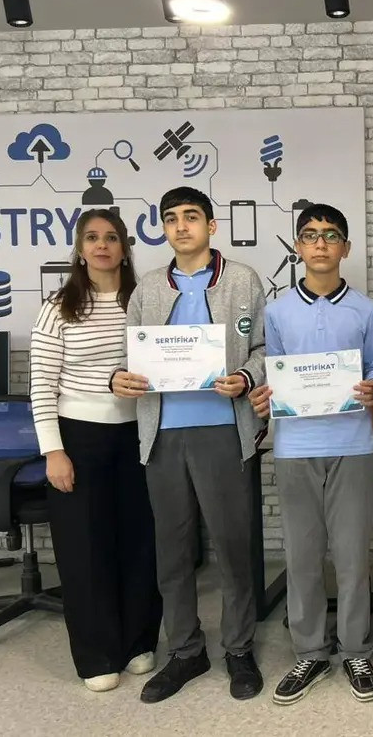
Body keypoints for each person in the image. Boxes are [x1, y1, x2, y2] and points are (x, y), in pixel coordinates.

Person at [111, 186, 267, 704]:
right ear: (163, 228)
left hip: (223, 431)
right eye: (171, 218)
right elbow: (129, 356)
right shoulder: (147, 288)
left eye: (191, 217)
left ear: (211, 226)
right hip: (163, 434)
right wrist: (121, 378)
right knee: (173, 551)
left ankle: (239, 648)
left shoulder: (242, 280)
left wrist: (246, 376)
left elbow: (265, 348)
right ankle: (185, 651)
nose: (181, 226)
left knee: (233, 547)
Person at [247, 204, 373, 704]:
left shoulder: (366, 311)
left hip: (353, 446)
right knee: (302, 556)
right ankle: (309, 650)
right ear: (298, 247)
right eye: (310, 235)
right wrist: (264, 398)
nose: (320, 243)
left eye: (330, 235)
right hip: (295, 448)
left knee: (351, 558)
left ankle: (354, 649)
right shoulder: (278, 312)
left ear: (345, 247)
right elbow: (274, 373)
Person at [29, 208, 162, 692]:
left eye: (111, 237)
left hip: (139, 436)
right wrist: (53, 451)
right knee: (85, 549)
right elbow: (42, 384)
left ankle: (139, 642)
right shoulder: (59, 306)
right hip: (78, 438)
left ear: (125, 247)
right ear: (80, 249)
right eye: (92, 237)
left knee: (139, 542)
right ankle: (97, 655)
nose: (102, 245)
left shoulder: (144, 300)